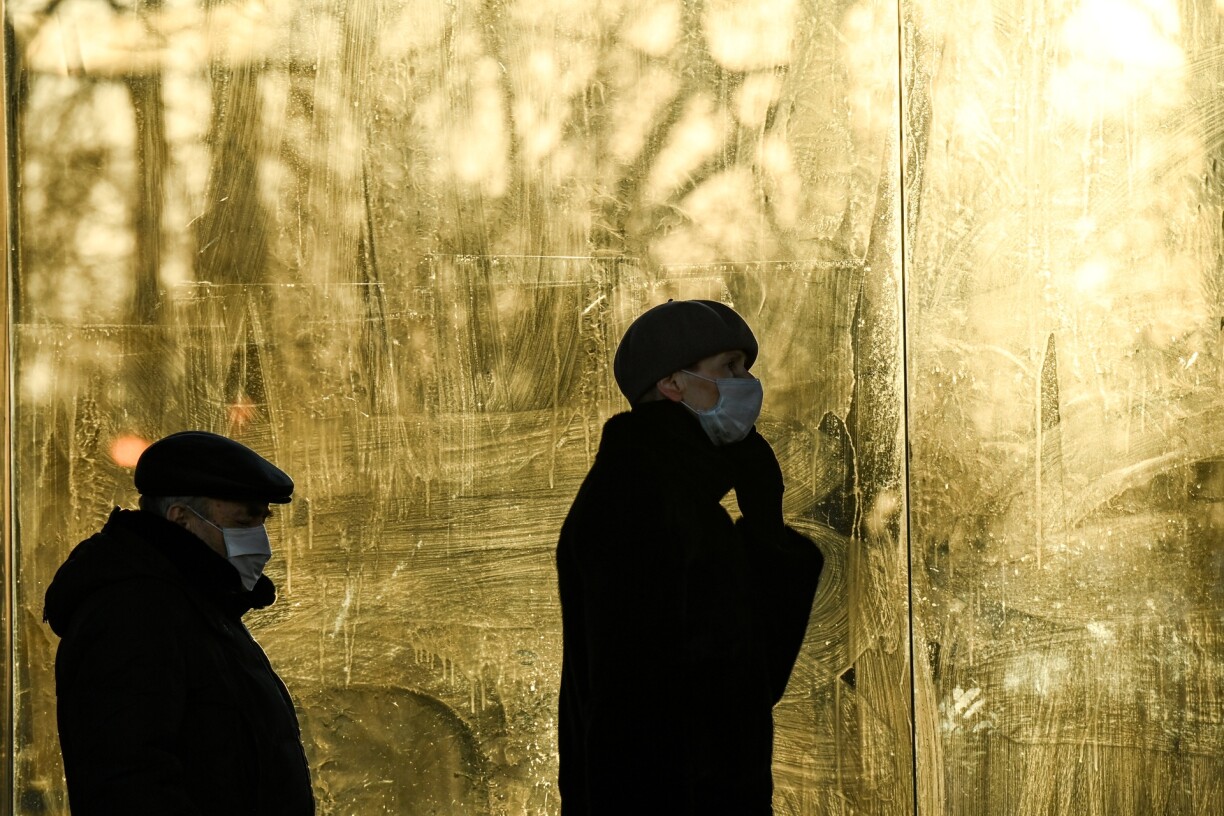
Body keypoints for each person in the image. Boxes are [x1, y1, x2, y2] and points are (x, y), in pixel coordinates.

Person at [556, 299, 824, 814]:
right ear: (672, 383)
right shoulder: (637, 500)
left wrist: (765, 525)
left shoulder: (678, 499)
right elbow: (628, 708)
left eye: (745, 368)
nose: (747, 382)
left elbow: (746, 682)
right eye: (729, 367)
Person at [43, 431, 315, 815]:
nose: (262, 542)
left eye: (262, 520)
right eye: (244, 521)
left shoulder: (197, 606)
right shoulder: (133, 614)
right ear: (182, 520)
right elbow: (127, 782)